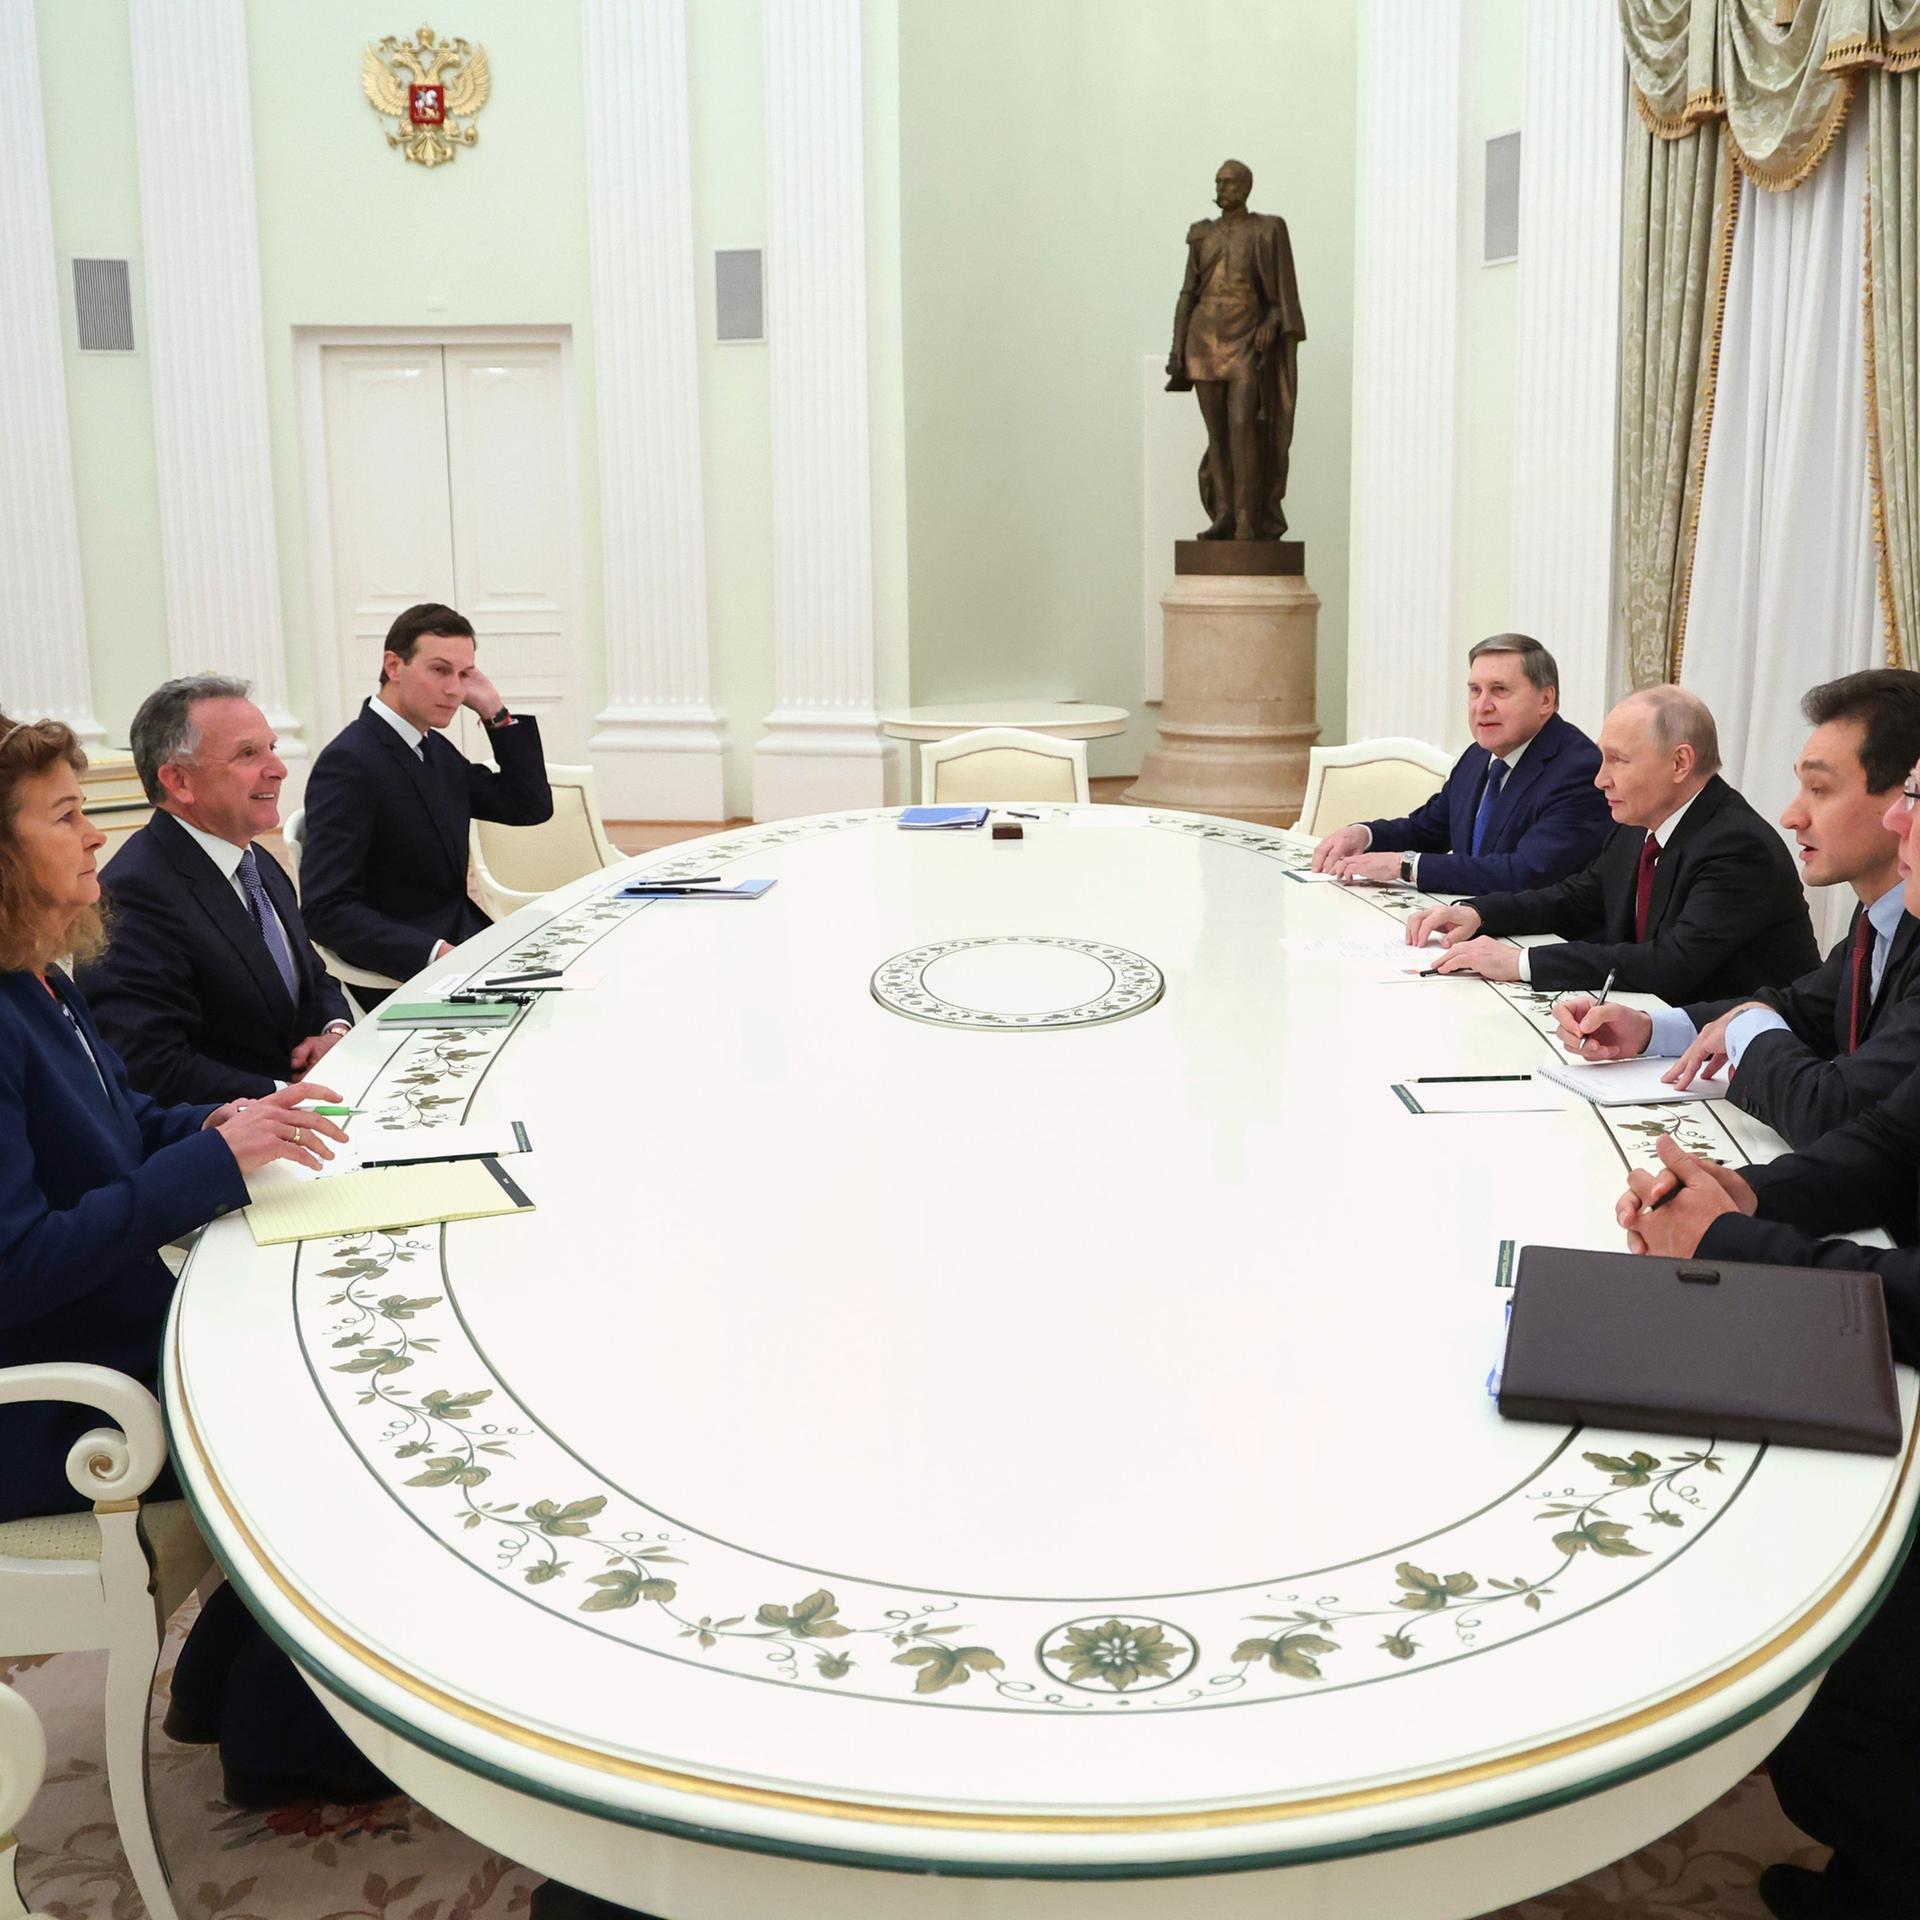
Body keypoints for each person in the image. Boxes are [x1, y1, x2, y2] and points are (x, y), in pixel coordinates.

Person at [0, 710, 385, 1807]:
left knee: (325, 1355)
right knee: (330, 1404)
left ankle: (223, 1683)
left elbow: (124, 1124)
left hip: (115, 1329)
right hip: (56, 1409)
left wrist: (231, 1120)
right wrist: (209, 1164)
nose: (96, 836)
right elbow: (17, 1265)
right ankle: (283, 1740)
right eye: (66, 816)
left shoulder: (40, 977)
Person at [1552, 671, 1920, 1151]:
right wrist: (1649, 1030)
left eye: (1820, 789)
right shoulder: (1877, 917)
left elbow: (1832, 1109)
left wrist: (1747, 1026)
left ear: (1903, 803)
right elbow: (1800, 1008)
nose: (1791, 816)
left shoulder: (1737, 840)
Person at [1405, 685, 1818, 1001]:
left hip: (1740, 1056)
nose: (1601, 779)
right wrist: (1479, 912)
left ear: (1680, 762)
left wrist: (1520, 962)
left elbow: (1671, 963)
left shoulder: (1737, 846)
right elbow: (1578, 898)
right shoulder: (1639, 822)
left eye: (1618, 760)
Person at [74, 675, 353, 1105]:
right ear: (179, 781)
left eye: (272, 748)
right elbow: (150, 1066)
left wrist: (333, 1032)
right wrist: (288, 1093)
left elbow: (312, 976)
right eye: (248, 753)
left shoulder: (255, 862)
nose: (278, 769)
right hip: (231, 1126)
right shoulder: (133, 894)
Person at [300, 603, 551, 989]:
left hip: (463, 941)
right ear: (394, 666)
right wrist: (434, 954)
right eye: (439, 670)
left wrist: (495, 712)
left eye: (464, 674)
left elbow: (527, 806)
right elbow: (326, 910)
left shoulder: (431, 747)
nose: (454, 690)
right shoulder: (350, 762)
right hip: (403, 973)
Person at [1311, 634, 1612, 893]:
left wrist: (1405, 866)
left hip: (1541, 935)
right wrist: (1365, 835)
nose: (1482, 706)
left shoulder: (1578, 769)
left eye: (1500, 690)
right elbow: (1428, 830)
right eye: (1475, 690)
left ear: (1545, 700)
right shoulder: (1478, 756)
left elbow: (1528, 872)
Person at [1165, 159, 1305, 540]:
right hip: (1203, 340)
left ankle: (1247, 517)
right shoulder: (1201, 234)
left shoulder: (1267, 230)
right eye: (1218, 183)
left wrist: (1271, 322)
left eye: (1228, 183)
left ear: (1246, 187)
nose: (1221, 189)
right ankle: (1224, 514)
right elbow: (1188, 293)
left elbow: (1281, 300)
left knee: (1242, 425)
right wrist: (1177, 349)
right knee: (1217, 432)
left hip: (1244, 339)